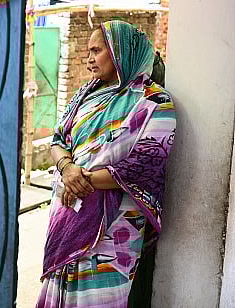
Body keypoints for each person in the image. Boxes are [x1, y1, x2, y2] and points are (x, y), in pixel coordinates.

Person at [36, 21, 177, 308]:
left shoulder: (155, 103)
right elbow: (58, 138)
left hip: (115, 226)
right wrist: (68, 169)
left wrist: (81, 179)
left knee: (100, 296)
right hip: (68, 211)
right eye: (88, 51)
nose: (88, 58)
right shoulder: (85, 96)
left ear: (120, 52)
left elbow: (146, 163)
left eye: (97, 50)